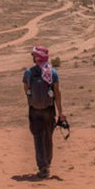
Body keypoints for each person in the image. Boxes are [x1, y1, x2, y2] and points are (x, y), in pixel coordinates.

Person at [22, 45, 65, 178]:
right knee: (48, 137)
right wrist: (61, 113)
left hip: (34, 110)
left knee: (38, 138)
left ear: (36, 58)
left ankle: (42, 166)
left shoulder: (29, 73)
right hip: (49, 110)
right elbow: (57, 94)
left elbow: (26, 90)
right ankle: (47, 164)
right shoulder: (53, 73)